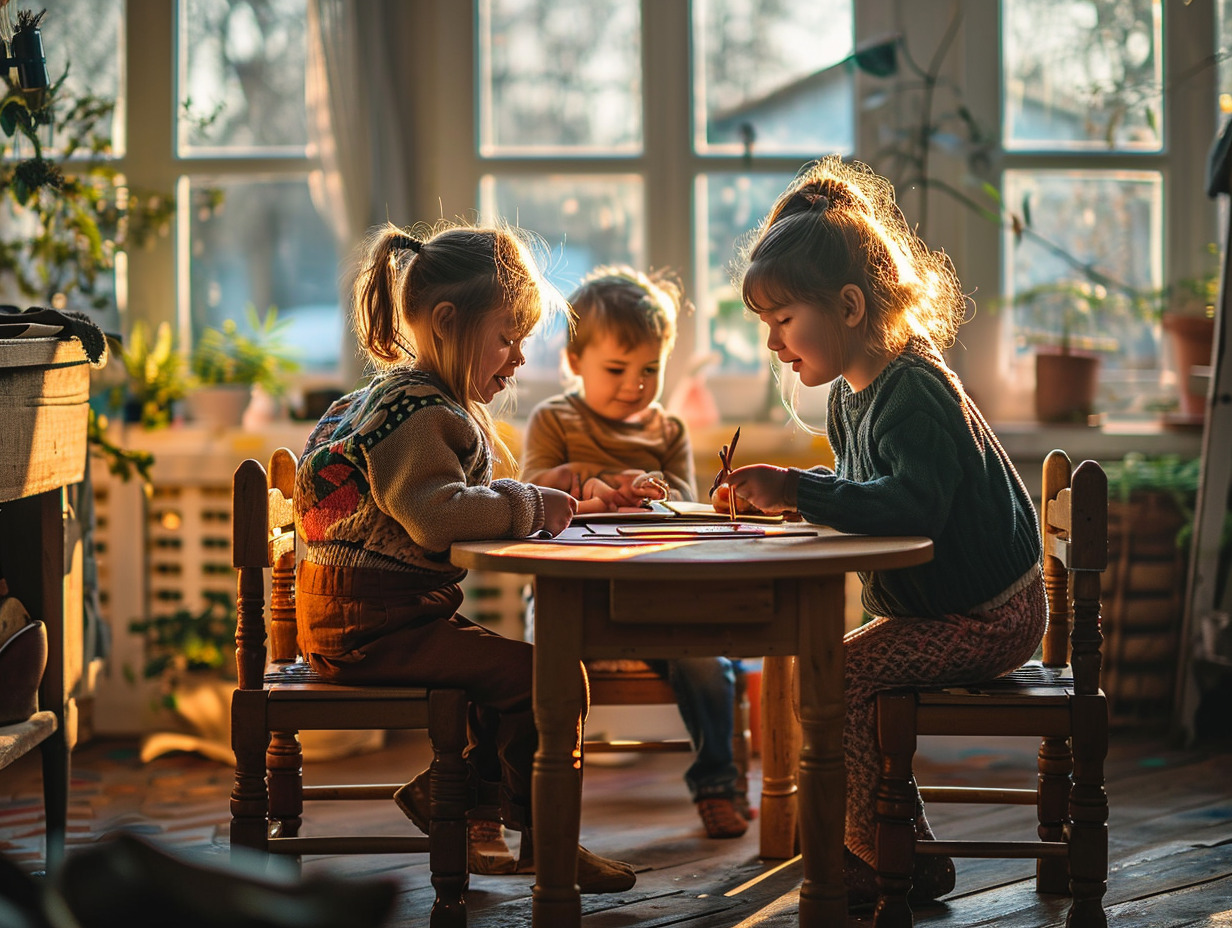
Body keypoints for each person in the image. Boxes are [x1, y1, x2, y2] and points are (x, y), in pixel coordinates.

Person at [713, 156, 1047, 904]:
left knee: (842, 675)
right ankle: (886, 843)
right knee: (818, 674)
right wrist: (794, 496)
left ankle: (887, 853)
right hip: (942, 605)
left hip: (989, 613)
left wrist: (801, 490)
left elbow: (910, 508)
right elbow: (867, 493)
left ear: (852, 307)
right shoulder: (851, 396)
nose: (773, 343)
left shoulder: (915, 389)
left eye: (782, 321)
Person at [292, 221, 636, 893]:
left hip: (364, 619)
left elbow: (444, 498)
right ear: (447, 322)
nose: (516, 359)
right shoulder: (419, 411)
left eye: (522, 341)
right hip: (374, 627)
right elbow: (435, 516)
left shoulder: (386, 398)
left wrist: (541, 500)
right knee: (550, 680)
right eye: (506, 337)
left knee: (504, 676)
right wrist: (527, 504)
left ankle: (464, 804)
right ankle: (540, 839)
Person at [522, 265, 751, 840]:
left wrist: (649, 491)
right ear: (574, 362)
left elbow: (686, 506)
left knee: (708, 663)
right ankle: (524, 803)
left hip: (655, 595)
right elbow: (531, 496)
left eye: (650, 369)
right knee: (527, 672)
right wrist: (594, 484)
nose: (635, 384)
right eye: (617, 369)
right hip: (570, 595)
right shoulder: (553, 418)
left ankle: (717, 783)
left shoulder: (668, 430)